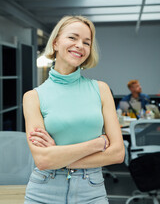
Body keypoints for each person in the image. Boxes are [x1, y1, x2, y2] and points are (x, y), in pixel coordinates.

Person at [23, 15, 125, 204]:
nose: (80, 45)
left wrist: (59, 157)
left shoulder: (101, 89)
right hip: (43, 191)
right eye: (73, 37)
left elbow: (118, 153)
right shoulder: (32, 97)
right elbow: (43, 160)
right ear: (55, 43)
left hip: (91, 191)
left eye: (87, 42)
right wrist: (97, 144)